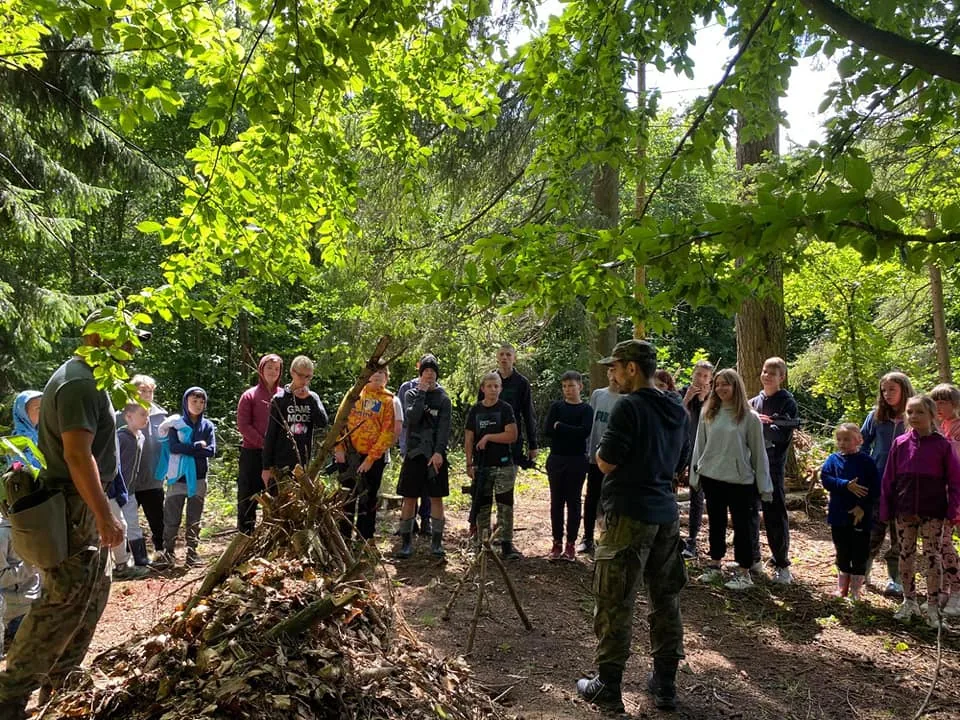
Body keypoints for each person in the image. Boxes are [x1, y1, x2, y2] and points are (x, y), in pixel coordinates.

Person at [0, 307, 140, 717]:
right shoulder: (78, 382)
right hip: (76, 509)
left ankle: (60, 687)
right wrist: (103, 514)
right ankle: (9, 694)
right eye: (124, 339)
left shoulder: (89, 379)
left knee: (89, 599)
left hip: (84, 507)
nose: (130, 349)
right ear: (98, 338)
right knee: (62, 603)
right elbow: (78, 457)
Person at [576, 340, 689, 713]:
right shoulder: (676, 406)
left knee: (614, 600)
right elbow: (680, 462)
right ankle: (665, 684)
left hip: (629, 514)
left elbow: (606, 462)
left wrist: (604, 457)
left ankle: (607, 684)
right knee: (665, 599)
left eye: (615, 367)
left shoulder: (629, 407)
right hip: (666, 514)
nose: (611, 374)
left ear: (632, 369)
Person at [880, 395, 960, 627]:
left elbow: (954, 481)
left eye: (920, 412)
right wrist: (886, 508)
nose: (914, 416)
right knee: (906, 553)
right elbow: (889, 479)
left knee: (932, 555)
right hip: (904, 510)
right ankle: (909, 601)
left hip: (933, 510)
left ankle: (933, 607)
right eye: (910, 412)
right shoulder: (901, 443)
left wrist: (954, 510)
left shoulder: (942, 445)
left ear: (932, 415)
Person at [689, 369, 772, 591]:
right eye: (717, 385)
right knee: (716, 523)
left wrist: (765, 486)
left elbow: (758, 453)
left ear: (736, 387)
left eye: (726, 384)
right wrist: (695, 474)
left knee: (742, 527)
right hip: (712, 477)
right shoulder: (709, 412)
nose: (721, 389)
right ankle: (715, 564)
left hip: (740, 481)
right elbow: (700, 445)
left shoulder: (749, 417)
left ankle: (744, 573)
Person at [469, 343, 538, 533]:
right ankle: (481, 533)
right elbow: (477, 413)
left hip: (511, 443)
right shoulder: (489, 380)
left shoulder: (521, 382)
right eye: (501, 354)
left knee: (505, 492)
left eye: (508, 354)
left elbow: (527, 414)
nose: (505, 358)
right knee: (483, 491)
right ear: (497, 358)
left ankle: (503, 533)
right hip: (485, 447)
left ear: (514, 358)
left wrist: (533, 444)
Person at [861, 371, 914, 596]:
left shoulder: (914, 416)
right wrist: (862, 468)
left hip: (905, 486)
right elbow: (862, 444)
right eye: (884, 390)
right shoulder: (876, 416)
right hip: (877, 483)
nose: (887, 394)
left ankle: (896, 580)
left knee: (899, 536)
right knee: (872, 530)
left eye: (892, 389)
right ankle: (862, 572)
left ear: (904, 390)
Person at [395, 355, 452, 558]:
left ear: (436, 374)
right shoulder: (411, 393)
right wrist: (421, 393)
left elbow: (444, 428)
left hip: (435, 456)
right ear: (420, 374)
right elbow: (412, 417)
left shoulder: (444, 398)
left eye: (432, 371)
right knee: (409, 498)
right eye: (425, 371)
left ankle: (436, 543)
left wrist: (438, 452)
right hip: (414, 454)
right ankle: (406, 543)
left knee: (436, 498)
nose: (429, 374)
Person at [749, 357, 800, 585]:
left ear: (782, 377)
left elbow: (779, 434)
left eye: (772, 372)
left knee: (774, 514)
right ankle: (752, 558)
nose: (767, 375)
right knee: (748, 512)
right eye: (764, 371)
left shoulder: (787, 403)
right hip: (751, 466)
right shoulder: (753, 402)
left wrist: (760, 424)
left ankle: (781, 564)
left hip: (773, 468)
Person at [334, 365, 395, 542]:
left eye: (382, 372)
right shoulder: (354, 394)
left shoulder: (388, 400)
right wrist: (339, 448)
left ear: (387, 378)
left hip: (373, 459)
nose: (378, 375)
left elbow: (387, 433)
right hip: (348, 456)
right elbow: (340, 419)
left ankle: (364, 539)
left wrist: (370, 459)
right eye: (375, 371)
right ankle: (343, 539)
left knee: (368, 500)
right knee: (347, 498)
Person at [157, 388, 216, 568]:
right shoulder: (176, 424)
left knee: (194, 518)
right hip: (177, 477)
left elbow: (211, 450)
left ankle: (192, 552)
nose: (197, 405)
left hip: (198, 478)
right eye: (194, 401)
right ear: (186, 402)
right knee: (171, 517)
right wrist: (197, 446)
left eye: (201, 402)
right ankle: (168, 552)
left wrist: (188, 448)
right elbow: (174, 447)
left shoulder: (207, 426)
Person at [820, 423, 879, 601]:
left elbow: (875, 488)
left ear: (859, 440)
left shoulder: (866, 462)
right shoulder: (833, 460)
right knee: (842, 550)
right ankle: (842, 588)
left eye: (847, 439)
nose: (842, 443)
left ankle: (856, 590)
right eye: (839, 439)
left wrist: (862, 507)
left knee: (860, 553)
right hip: (838, 514)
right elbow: (826, 479)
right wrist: (845, 484)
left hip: (861, 516)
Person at [465, 372, 520, 559]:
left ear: (501, 388)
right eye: (489, 386)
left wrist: (489, 437)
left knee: (505, 505)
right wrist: (469, 463)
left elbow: (511, 435)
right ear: (483, 388)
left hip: (504, 465)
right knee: (482, 505)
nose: (493, 389)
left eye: (496, 386)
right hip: (482, 466)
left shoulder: (505, 409)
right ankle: (483, 543)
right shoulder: (475, 411)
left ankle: (506, 544)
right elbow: (469, 437)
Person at [544, 371, 593, 561]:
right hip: (557, 459)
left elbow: (584, 432)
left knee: (573, 502)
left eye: (571, 386)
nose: (568, 390)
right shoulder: (556, 407)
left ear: (580, 386)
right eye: (564, 386)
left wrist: (561, 427)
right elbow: (548, 430)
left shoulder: (586, 410)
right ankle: (556, 542)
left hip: (577, 460)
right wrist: (563, 429)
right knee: (556, 502)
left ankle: (571, 544)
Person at [236, 354, 283, 535]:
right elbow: (243, 425)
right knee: (248, 497)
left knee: (275, 497)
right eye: (269, 367)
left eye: (276, 368)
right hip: (252, 454)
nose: (273, 371)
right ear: (261, 369)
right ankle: (245, 536)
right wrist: (264, 444)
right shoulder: (249, 395)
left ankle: (273, 537)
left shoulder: (283, 395)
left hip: (276, 457)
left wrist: (275, 448)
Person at [262, 355, 328, 480]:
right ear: (292, 372)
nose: (304, 380)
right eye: (300, 375)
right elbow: (270, 434)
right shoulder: (279, 399)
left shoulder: (313, 398)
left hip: (304, 462)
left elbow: (322, 423)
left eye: (308, 377)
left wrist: (309, 399)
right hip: (280, 461)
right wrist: (266, 467)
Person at [579, 366, 619, 556]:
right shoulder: (598, 395)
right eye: (610, 371)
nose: (613, 376)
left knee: (612, 498)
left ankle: (609, 537)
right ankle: (587, 537)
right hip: (595, 456)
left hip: (616, 461)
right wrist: (587, 449)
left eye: (616, 371)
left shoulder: (628, 399)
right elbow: (590, 422)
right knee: (591, 496)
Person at [396, 356, 438, 536]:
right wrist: (402, 444)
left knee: (428, 487)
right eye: (424, 367)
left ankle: (426, 520)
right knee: (410, 486)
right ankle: (408, 522)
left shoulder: (438, 390)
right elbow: (405, 417)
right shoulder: (407, 388)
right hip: (410, 442)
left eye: (432, 368)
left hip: (430, 445)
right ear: (418, 367)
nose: (428, 372)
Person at [128, 375, 167, 554]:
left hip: (153, 477)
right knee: (127, 520)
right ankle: (127, 556)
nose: (147, 394)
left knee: (158, 519)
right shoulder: (122, 415)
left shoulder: (162, 417)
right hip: (129, 480)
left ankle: (161, 550)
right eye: (143, 390)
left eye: (150, 391)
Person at [679, 360, 714, 559]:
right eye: (698, 374)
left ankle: (692, 540)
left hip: (701, 453)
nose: (701, 379)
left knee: (697, 496)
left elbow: (709, 423)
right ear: (693, 374)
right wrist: (687, 399)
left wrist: (702, 401)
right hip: (679, 450)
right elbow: (675, 417)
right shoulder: (682, 392)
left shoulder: (713, 398)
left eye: (705, 376)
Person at [117, 403, 153, 567]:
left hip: (130, 490)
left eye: (147, 415)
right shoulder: (120, 437)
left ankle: (140, 559)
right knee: (119, 524)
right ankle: (120, 561)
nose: (146, 418)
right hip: (115, 490)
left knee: (132, 524)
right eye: (142, 415)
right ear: (129, 416)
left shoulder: (141, 437)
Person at [0, 515, 41, 655]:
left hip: (33, 603)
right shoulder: (3, 534)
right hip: (16, 611)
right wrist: (32, 566)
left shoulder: (32, 525)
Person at [105, 460, 149, 579]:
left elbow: (116, 467)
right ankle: (120, 566)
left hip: (111, 491)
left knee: (121, 526)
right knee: (115, 527)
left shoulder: (112, 443)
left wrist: (121, 492)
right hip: (102, 492)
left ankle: (120, 564)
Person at [8, 392, 42, 469]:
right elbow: (17, 470)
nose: (43, 412)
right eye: (38, 408)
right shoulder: (17, 441)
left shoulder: (42, 432)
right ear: (24, 413)